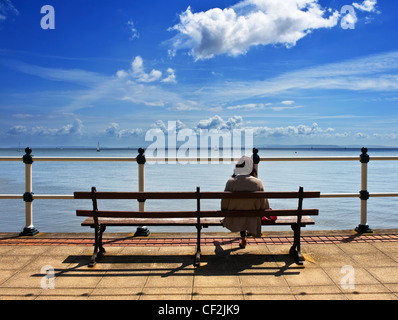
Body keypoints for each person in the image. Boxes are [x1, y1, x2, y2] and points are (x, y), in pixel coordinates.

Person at [221, 156, 274, 248]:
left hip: (234, 219)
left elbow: (224, 205)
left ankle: (243, 238)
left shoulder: (230, 182)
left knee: (241, 209)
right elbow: (264, 205)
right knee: (247, 210)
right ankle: (245, 236)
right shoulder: (258, 183)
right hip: (252, 220)